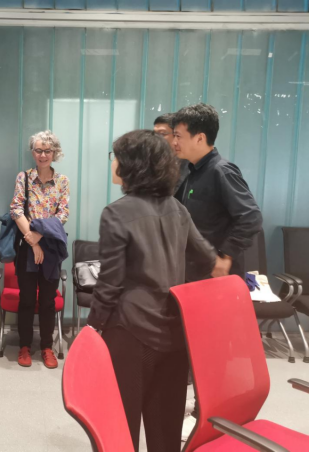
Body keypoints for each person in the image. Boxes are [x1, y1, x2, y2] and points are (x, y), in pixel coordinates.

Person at [87, 130, 223, 453]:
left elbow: (110, 283)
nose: (113, 163)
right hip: (174, 334)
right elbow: (208, 259)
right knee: (166, 435)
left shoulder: (116, 213)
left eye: (116, 157)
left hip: (130, 332)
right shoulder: (178, 209)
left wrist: (93, 327)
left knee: (120, 431)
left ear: (131, 165)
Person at [172, 103, 263, 281]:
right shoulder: (191, 170)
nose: (174, 142)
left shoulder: (221, 171)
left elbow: (251, 217)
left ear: (200, 138)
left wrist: (225, 255)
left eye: (178, 136)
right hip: (192, 269)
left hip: (215, 274)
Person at [10, 131, 70, 370]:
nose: (43, 155)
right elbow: (16, 210)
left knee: (47, 300)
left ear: (54, 152)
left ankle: (46, 346)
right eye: (38, 150)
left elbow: (63, 214)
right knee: (26, 299)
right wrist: (33, 242)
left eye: (47, 150)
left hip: (52, 247)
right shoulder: (24, 177)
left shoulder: (62, 181)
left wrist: (41, 235)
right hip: (27, 247)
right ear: (32, 152)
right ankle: (24, 345)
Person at [154, 113, 189, 192]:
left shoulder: (190, 163)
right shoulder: (154, 160)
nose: (156, 138)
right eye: (154, 134)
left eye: (162, 134)